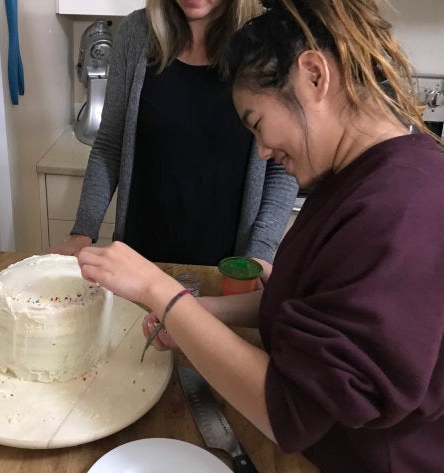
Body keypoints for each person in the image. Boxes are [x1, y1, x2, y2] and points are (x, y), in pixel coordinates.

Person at [76, 0, 444, 472]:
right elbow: (312, 307)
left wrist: (162, 293)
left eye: (257, 124)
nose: (264, 150)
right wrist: (203, 312)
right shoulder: (354, 180)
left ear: (314, 76)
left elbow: (289, 410)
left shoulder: (402, 210)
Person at [47, 0, 298, 271]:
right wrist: (82, 232)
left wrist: (259, 253)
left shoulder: (267, 39)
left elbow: (280, 168)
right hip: (140, 259)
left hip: (226, 267)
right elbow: (109, 145)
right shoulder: (136, 32)